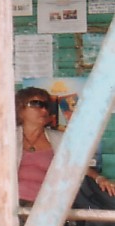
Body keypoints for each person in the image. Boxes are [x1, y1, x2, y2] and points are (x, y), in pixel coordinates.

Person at [16, 86, 115, 215]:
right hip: (10, 205)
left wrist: (99, 178)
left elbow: (77, 165)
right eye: (37, 104)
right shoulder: (6, 140)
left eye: (47, 105)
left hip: (45, 208)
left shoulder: (58, 139)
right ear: (20, 109)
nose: (44, 110)